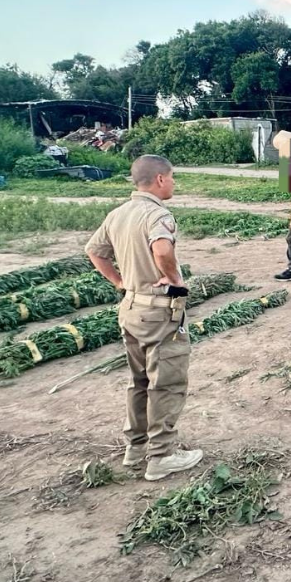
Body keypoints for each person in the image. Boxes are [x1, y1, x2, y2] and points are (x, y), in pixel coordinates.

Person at [85, 155, 203, 482]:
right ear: (160, 179)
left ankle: (135, 448)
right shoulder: (157, 215)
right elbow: (162, 251)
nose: (174, 182)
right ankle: (162, 456)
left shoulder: (118, 214)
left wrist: (120, 282)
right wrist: (176, 280)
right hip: (159, 311)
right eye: (172, 176)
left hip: (131, 308)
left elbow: (94, 251)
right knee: (166, 383)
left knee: (139, 382)